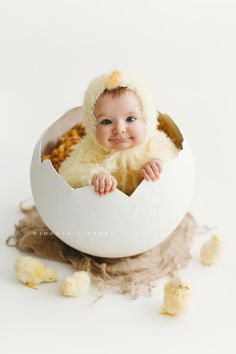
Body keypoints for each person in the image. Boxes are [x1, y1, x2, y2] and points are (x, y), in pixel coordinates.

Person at [59, 70, 179, 196]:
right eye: (106, 121)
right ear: (92, 124)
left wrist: (159, 163)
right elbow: (69, 172)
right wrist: (94, 175)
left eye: (130, 119)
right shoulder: (89, 149)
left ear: (146, 119)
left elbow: (176, 158)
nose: (119, 129)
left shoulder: (155, 143)